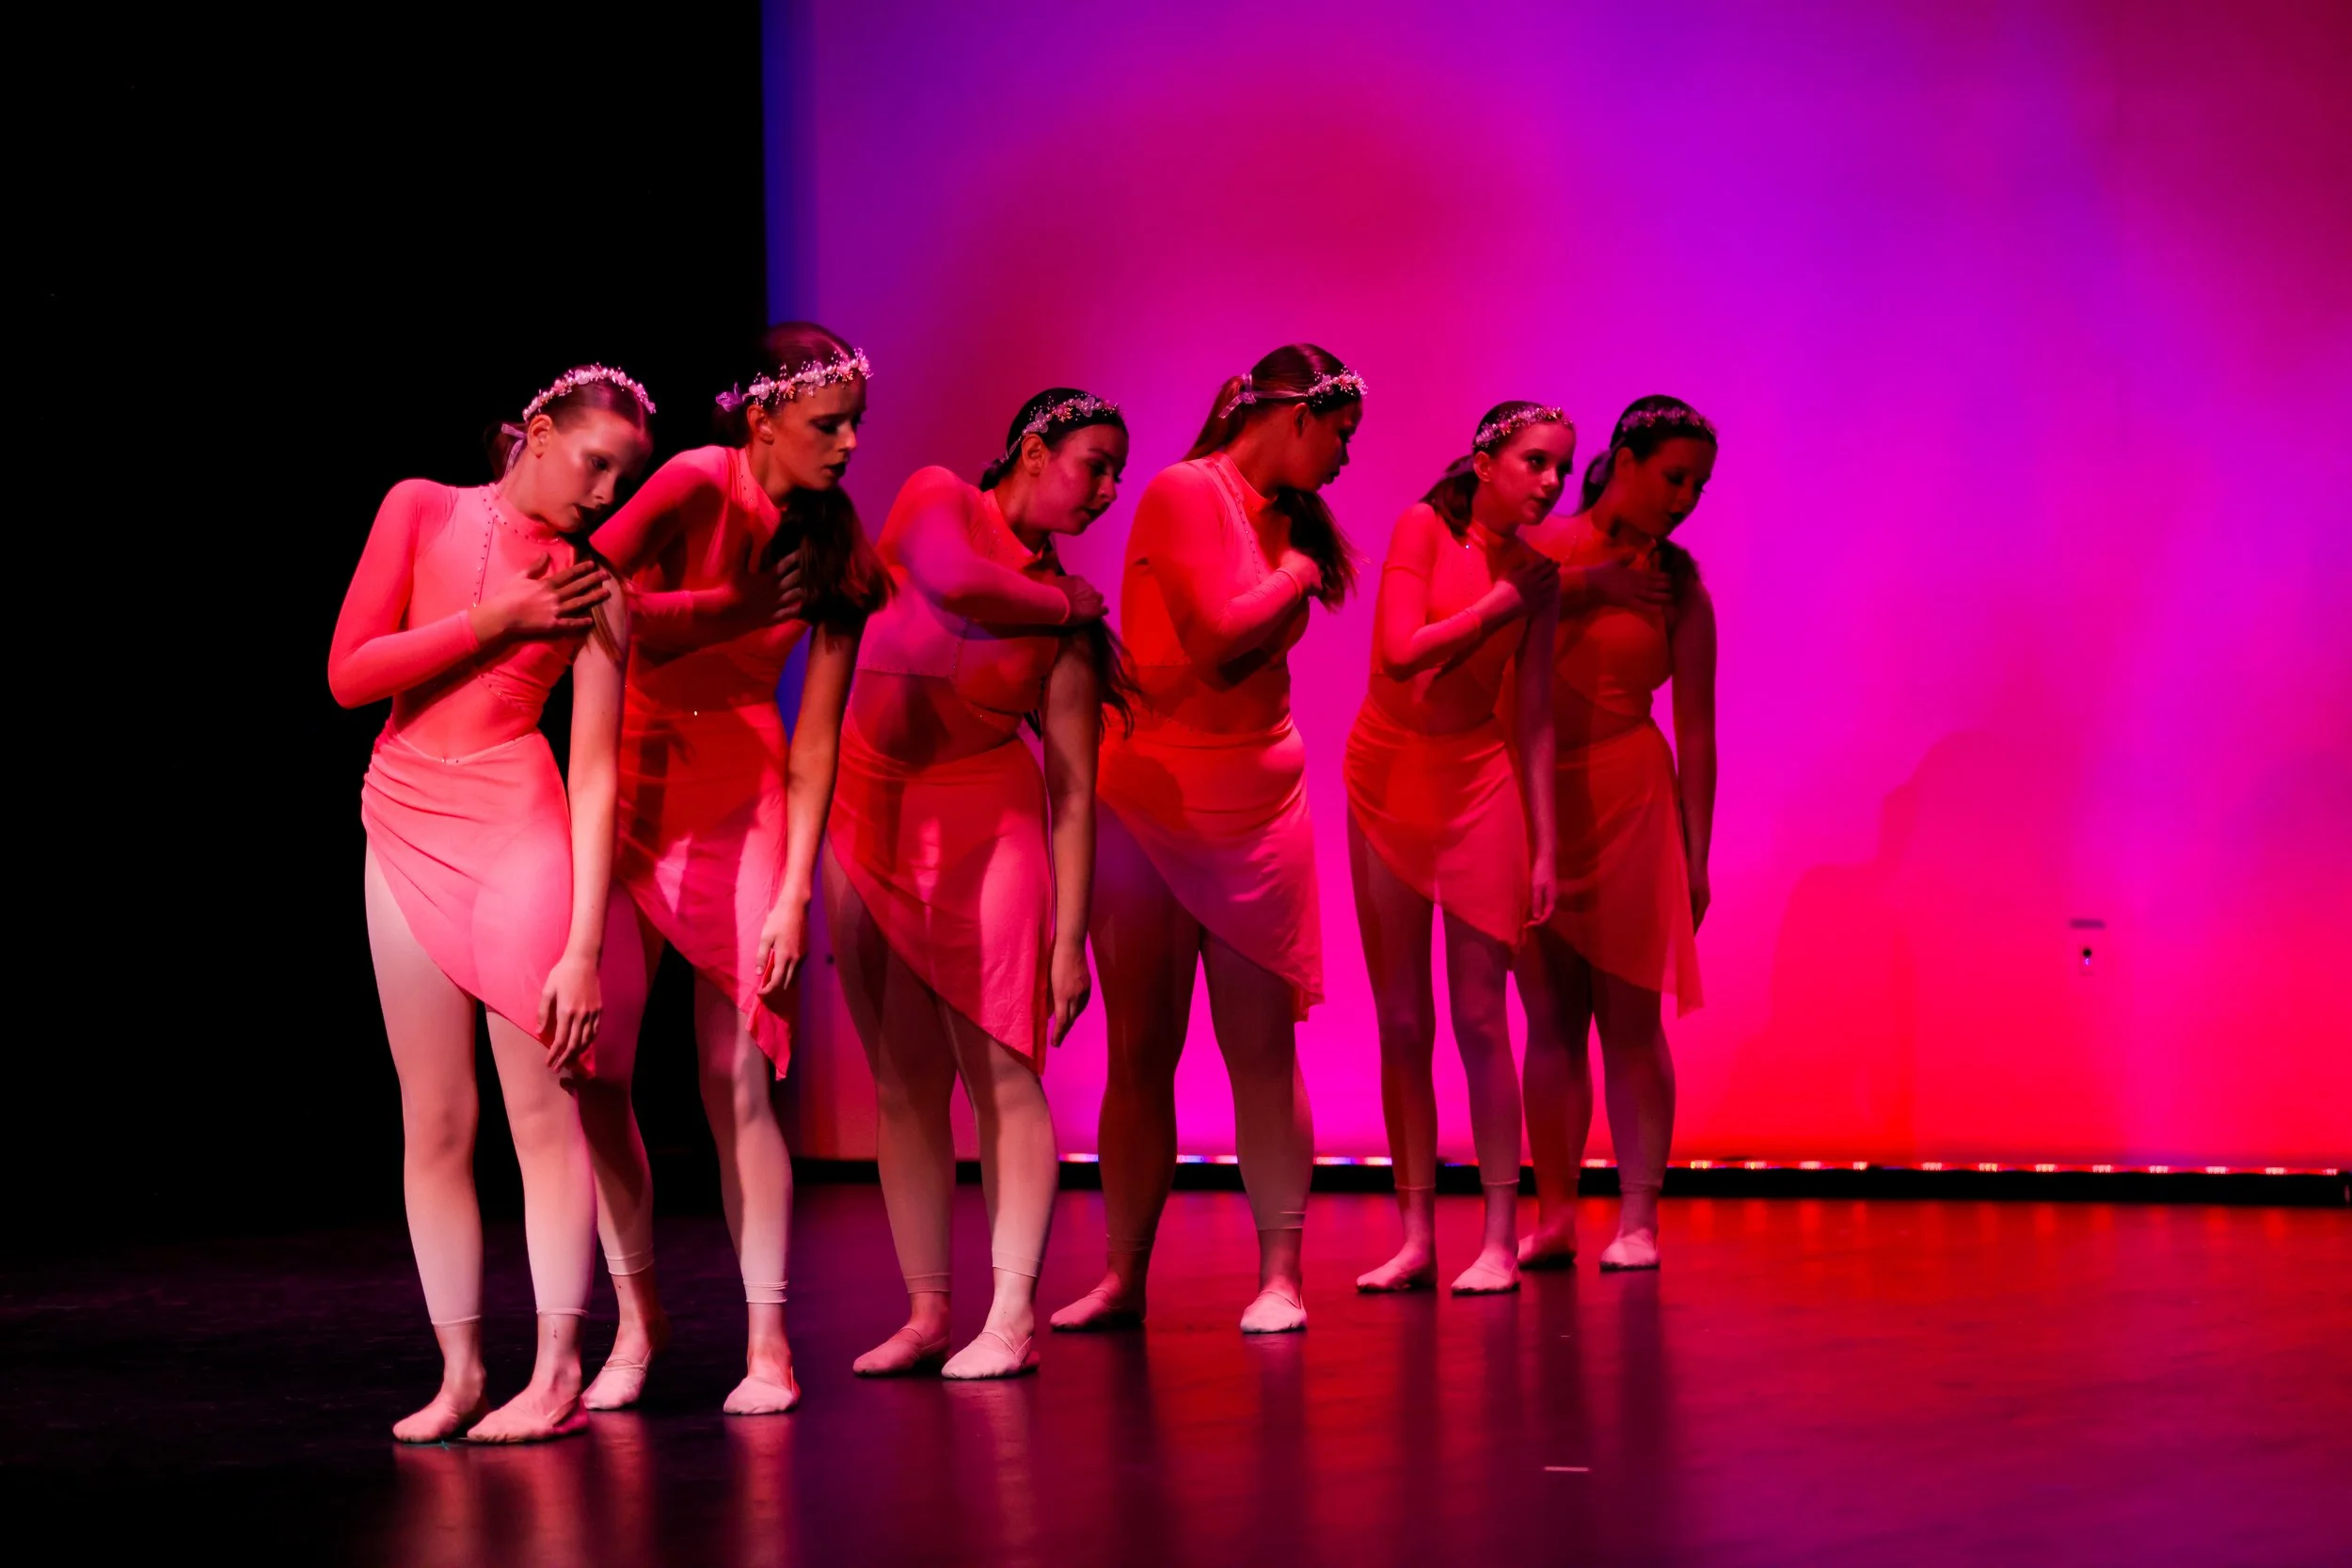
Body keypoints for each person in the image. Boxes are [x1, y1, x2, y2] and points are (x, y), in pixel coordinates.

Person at [328, 364, 654, 1441]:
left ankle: (557, 1367)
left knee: (541, 1111)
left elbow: (599, 770)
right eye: (597, 464)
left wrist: (582, 943)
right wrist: (497, 615)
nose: (606, 494)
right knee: (435, 1118)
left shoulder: (598, 591)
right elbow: (350, 672)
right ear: (540, 431)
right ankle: (461, 1371)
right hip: (404, 816)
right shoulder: (418, 506)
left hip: (522, 829)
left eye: (625, 477)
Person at [576, 324, 887, 1416]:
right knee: (598, 1068)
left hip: (745, 783)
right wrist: (728, 609)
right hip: (635, 777)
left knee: (735, 1073)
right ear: (761, 419)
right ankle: (637, 1316)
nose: (847, 445)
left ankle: (768, 1339)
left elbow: (817, 744)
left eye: (854, 423)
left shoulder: (833, 542)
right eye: (825, 425)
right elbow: (585, 590)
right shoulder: (696, 482)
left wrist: (797, 885)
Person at [1052, 344, 1364, 1336]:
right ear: (1293, 416)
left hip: (1258, 804)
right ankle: (1123, 1273)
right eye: (1340, 436)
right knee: (1142, 1046)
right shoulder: (1187, 490)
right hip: (1154, 799)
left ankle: (1280, 1271)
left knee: (1261, 1050)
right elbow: (1217, 634)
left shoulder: (1291, 518)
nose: (1346, 460)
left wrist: (1295, 563)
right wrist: (1299, 575)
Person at [826, 388, 1128, 1378]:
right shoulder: (938, 499)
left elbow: (1075, 792)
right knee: (903, 1084)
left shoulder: (1067, 622)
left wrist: (1067, 937)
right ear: (1033, 449)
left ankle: (1009, 1313)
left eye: (1116, 471)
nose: (1108, 490)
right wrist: (1061, 600)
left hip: (986, 823)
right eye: (1094, 462)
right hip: (871, 818)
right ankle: (924, 1309)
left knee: (1004, 1070)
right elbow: (952, 581)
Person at [1347, 403, 1565, 1295]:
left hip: (1479, 782)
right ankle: (1414, 1234)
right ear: (1485, 461)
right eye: (1536, 462)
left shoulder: (1540, 574)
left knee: (1481, 1018)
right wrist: (1500, 603)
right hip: (1390, 777)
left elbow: (1536, 714)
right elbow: (1400, 653)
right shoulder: (1422, 527)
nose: (1551, 482)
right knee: (1403, 1019)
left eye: (1561, 466)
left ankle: (1500, 1236)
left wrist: (1546, 843)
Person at [1515, 395, 1719, 1273]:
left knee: (1631, 1018)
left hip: (1633, 798)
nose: (1685, 497)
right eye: (1674, 476)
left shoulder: (1681, 585)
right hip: (1538, 802)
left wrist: (1698, 851)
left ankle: (1639, 1216)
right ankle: (1555, 1213)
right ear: (1624, 459)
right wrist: (1592, 584)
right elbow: (1494, 634)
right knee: (1550, 1016)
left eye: (1699, 485)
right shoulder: (1542, 551)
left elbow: (1702, 730)